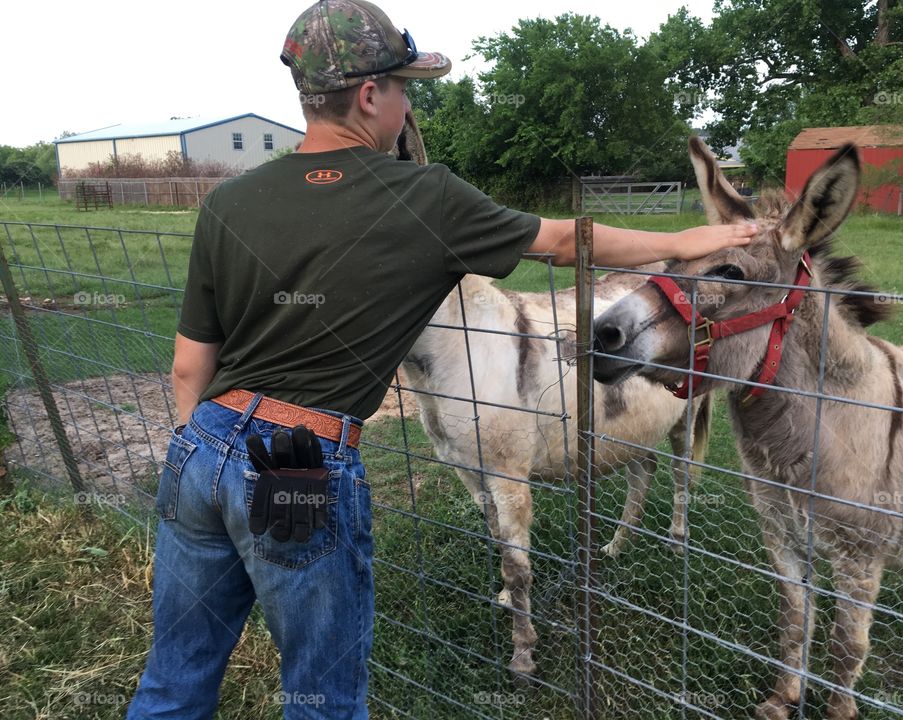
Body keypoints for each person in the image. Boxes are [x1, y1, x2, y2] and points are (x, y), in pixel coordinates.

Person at [125, 1, 757, 718]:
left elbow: (187, 366)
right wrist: (689, 244)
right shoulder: (419, 196)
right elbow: (561, 242)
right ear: (370, 96)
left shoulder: (229, 203)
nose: (406, 104)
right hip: (295, 462)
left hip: (200, 447)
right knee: (320, 693)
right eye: (404, 88)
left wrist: (200, 455)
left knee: (176, 676)